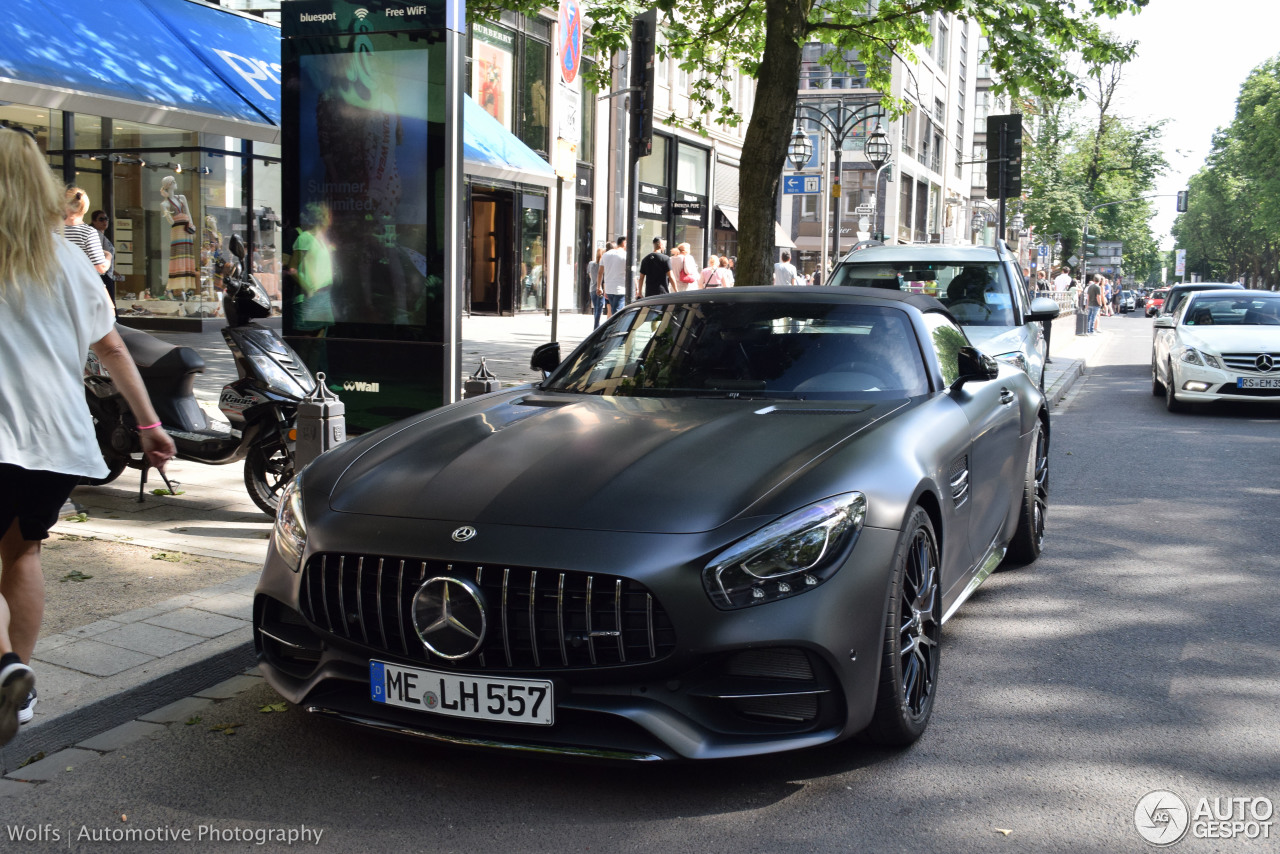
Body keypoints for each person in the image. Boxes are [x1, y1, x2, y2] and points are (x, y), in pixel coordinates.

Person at [0, 127, 175, 745]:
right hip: (61, 441)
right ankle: (18, 692)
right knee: (22, 552)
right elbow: (113, 348)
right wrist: (149, 425)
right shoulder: (73, 259)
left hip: (2, 434)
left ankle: (3, 668)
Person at [288, 202, 335, 335]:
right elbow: (292, 268)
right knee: (307, 343)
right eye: (328, 215)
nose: (331, 218)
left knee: (319, 343)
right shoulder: (305, 238)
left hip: (324, 297)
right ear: (321, 218)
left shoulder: (324, 239)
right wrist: (309, 289)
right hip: (310, 298)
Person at [160, 175, 198, 299]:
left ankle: (184, 287)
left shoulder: (181, 198)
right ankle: (173, 288)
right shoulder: (165, 203)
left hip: (186, 231)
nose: (176, 183)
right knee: (178, 258)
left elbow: (188, 213)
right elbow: (171, 222)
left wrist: (192, 228)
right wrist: (166, 212)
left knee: (186, 257)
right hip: (177, 232)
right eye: (173, 182)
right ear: (169, 185)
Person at [62, 189, 109, 290]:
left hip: (57, 288)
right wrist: (108, 256)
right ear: (85, 208)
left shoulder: (52, 231)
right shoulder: (89, 233)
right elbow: (101, 267)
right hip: (82, 288)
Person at [597, 236, 627, 324]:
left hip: (609, 288)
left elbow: (600, 272)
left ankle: (613, 330)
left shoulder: (606, 254)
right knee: (618, 313)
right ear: (624, 243)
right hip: (620, 288)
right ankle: (615, 331)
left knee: (614, 310)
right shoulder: (625, 254)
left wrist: (599, 287)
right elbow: (630, 273)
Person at [587, 246, 605, 323]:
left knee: (596, 309)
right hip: (600, 289)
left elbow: (590, 275)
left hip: (592, 288)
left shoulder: (590, 263)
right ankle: (596, 327)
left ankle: (596, 325)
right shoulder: (602, 265)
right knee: (599, 309)